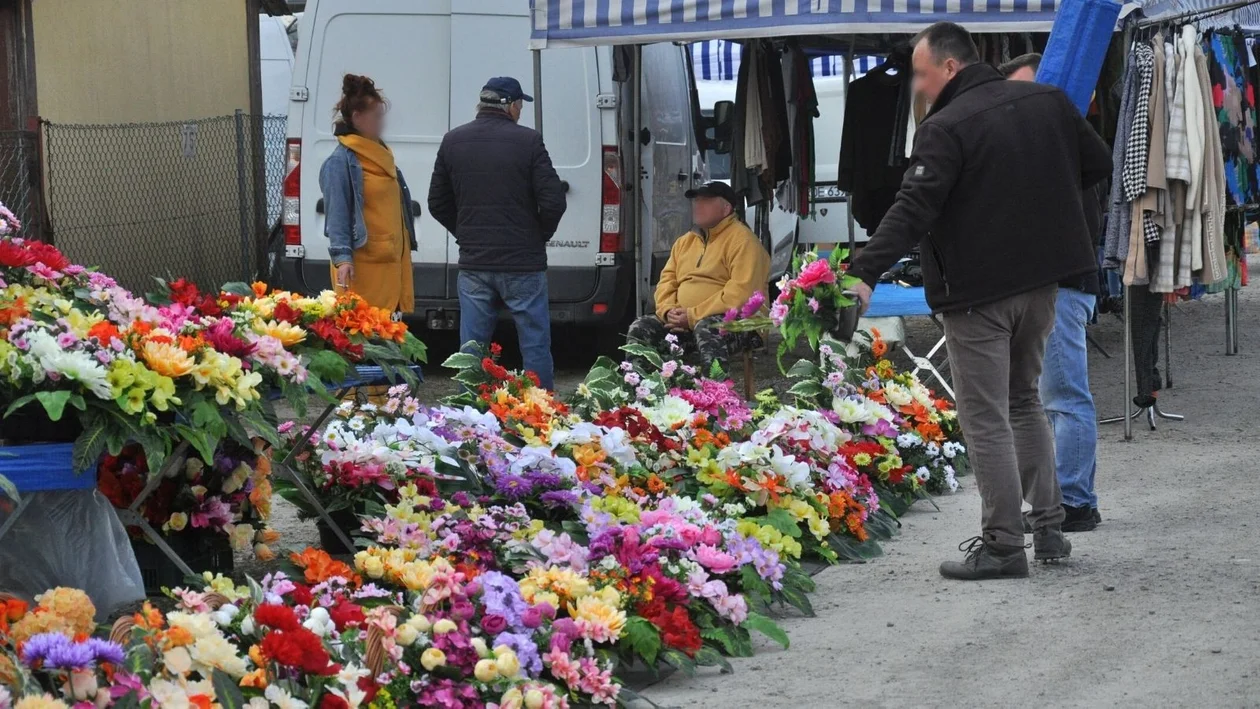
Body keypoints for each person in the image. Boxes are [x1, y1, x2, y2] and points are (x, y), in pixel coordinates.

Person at [846, 23, 1112, 581]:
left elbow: (913, 208)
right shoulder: (1049, 101)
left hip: (978, 294)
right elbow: (1097, 165)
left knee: (986, 417)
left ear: (949, 66)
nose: (917, 87)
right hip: (1045, 284)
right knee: (1024, 403)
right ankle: (1048, 528)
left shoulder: (945, 127)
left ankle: (1002, 546)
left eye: (920, 74)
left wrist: (864, 271)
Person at [1000, 52, 1104, 533]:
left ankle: (1076, 503)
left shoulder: (1058, 147)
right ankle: (1067, 498)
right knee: (1050, 398)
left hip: (1063, 286)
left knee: (1063, 396)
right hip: (1057, 286)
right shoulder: (1052, 146)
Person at [428, 77, 566, 391]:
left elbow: (437, 202)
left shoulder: (453, 141)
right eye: (520, 105)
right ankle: (540, 412)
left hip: (475, 263)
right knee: (534, 345)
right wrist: (537, 236)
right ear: (510, 105)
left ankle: (471, 415)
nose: (520, 111)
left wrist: (465, 233)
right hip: (523, 264)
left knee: (473, 349)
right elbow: (554, 200)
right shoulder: (529, 141)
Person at [626, 182, 770, 374]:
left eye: (706, 201)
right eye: (696, 200)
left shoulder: (743, 241)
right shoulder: (685, 241)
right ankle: (642, 394)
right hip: (684, 322)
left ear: (726, 208)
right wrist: (668, 311)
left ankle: (715, 395)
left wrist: (693, 315)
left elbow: (740, 294)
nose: (697, 205)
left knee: (707, 328)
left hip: (741, 324)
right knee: (641, 327)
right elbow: (666, 281)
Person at [320, 74, 418, 312]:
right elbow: (337, 215)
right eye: (376, 116)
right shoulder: (340, 161)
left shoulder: (381, 154)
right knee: (364, 338)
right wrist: (343, 259)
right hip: (363, 272)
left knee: (389, 341)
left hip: (390, 268)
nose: (382, 122)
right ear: (357, 118)